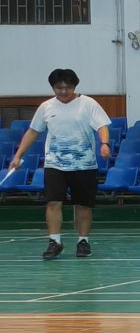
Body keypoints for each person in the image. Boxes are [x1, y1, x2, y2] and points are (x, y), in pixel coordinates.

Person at [8, 69, 112, 261]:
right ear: (53, 88)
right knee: (53, 202)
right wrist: (18, 155)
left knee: (83, 205)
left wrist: (104, 143)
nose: (63, 91)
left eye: (68, 87)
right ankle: (54, 242)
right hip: (55, 164)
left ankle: (83, 241)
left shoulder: (88, 104)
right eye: (59, 88)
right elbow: (33, 132)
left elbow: (102, 126)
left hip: (84, 165)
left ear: (74, 86)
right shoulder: (46, 107)